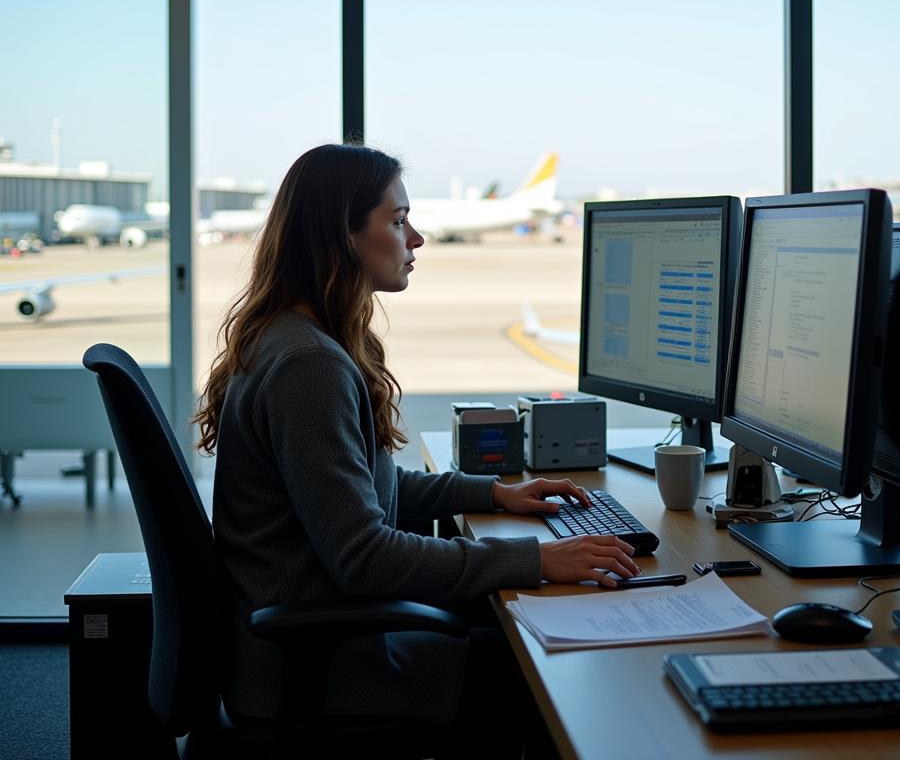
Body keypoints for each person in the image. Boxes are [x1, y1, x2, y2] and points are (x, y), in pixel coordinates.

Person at [194, 143, 640, 747]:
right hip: (326, 669)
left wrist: (498, 493)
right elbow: (364, 554)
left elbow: (372, 489)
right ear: (342, 236)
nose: (417, 239)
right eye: (398, 221)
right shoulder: (309, 366)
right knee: (559, 672)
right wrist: (537, 560)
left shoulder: (294, 338)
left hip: (316, 646)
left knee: (521, 629)